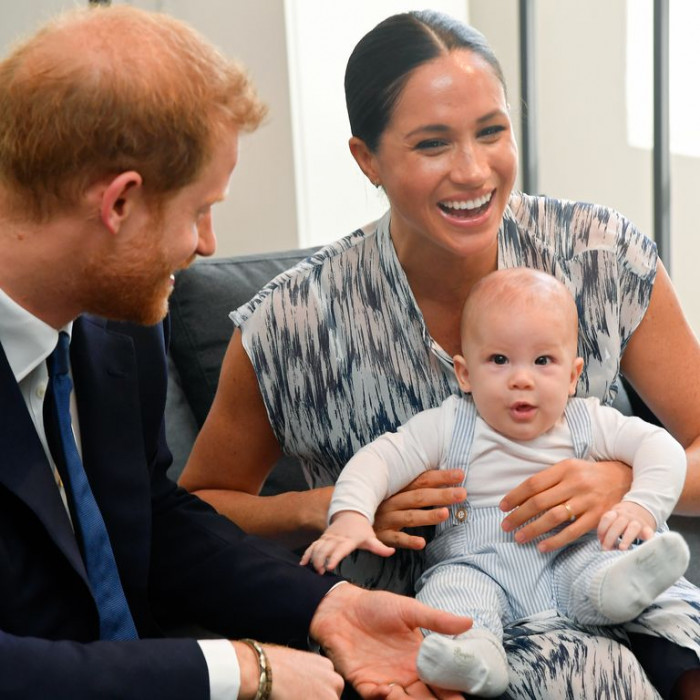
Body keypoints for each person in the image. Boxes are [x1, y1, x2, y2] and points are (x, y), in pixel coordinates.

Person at [180, 9, 700, 698]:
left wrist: (620, 485)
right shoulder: (291, 323)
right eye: (432, 144)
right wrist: (329, 506)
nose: (473, 170)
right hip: (408, 645)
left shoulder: (600, 256)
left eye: (492, 131)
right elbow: (195, 511)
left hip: (605, 605)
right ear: (367, 159)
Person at [0, 6, 476, 699]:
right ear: (120, 204)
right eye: (200, 210)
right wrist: (240, 669)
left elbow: (153, 518)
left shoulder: (117, 326)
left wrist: (329, 607)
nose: (209, 244)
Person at [301, 267, 698, 697]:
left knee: (602, 562)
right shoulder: (448, 424)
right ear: (465, 373)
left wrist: (642, 505)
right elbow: (378, 458)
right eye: (499, 360)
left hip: (570, 551)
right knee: (450, 596)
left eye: (543, 361)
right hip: (479, 563)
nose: (521, 378)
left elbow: (661, 447)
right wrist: (351, 515)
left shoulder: (587, 420)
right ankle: (474, 658)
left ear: (572, 375)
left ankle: (620, 590)